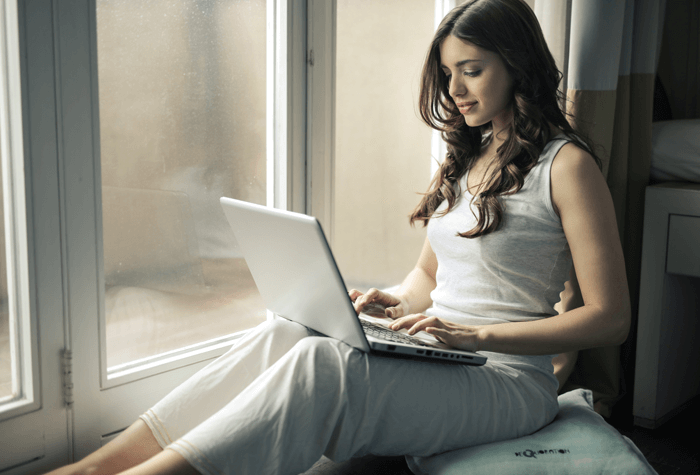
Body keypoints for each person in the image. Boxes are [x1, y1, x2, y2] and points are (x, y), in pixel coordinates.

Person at [48, 0, 630, 474]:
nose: (454, 89)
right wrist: (394, 304)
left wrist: (477, 332)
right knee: (288, 330)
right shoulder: (469, 159)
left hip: (508, 381)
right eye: (447, 74)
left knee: (324, 365)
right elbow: (429, 277)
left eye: (471, 70)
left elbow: (610, 317)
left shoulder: (567, 166)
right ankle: (98, 466)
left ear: (517, 64)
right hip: (444, 353)